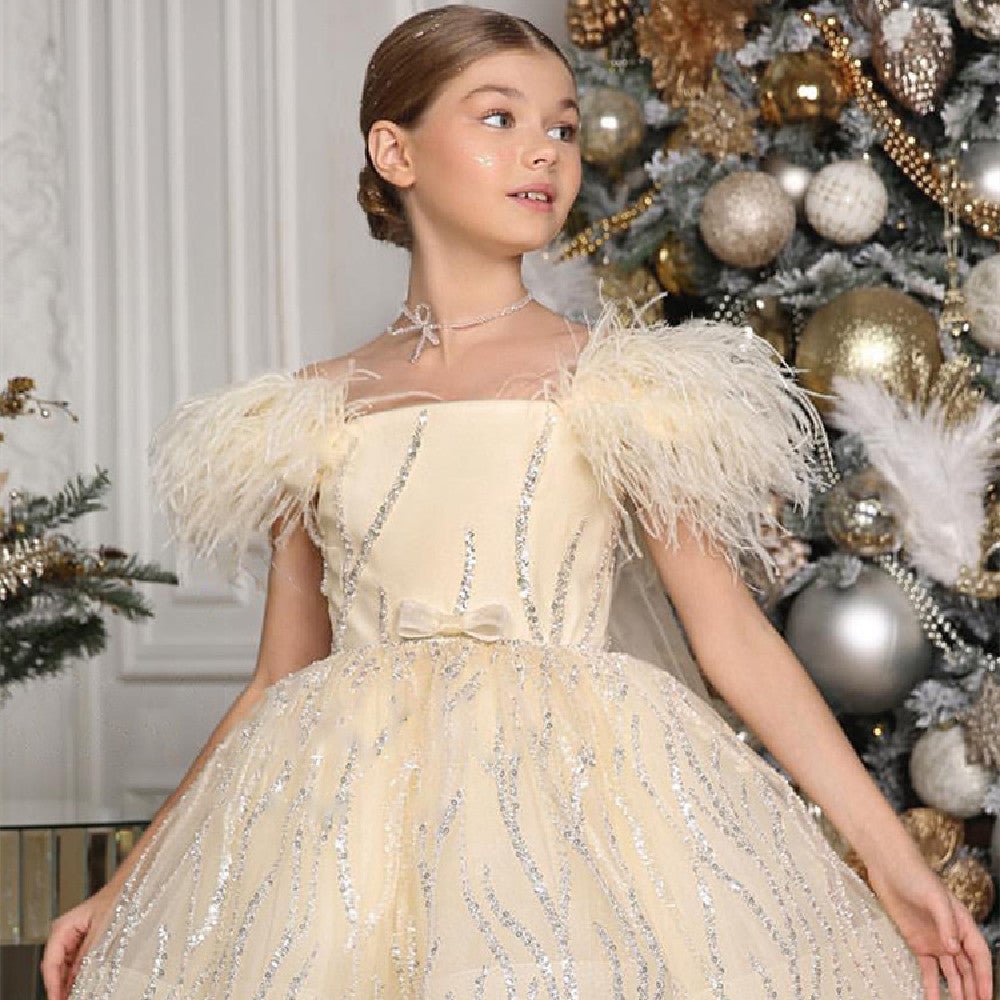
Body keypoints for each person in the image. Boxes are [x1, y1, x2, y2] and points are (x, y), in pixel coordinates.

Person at [43, 5, 993, 999]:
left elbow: (733, 639)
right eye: (498, 118)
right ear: (393, 150)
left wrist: (890, 857)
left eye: (564, 126)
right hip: (344, 833)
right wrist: (137, 884)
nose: (543, 151)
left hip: (571, 816)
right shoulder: (310, 414)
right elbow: (278, 675)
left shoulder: (622, 384)